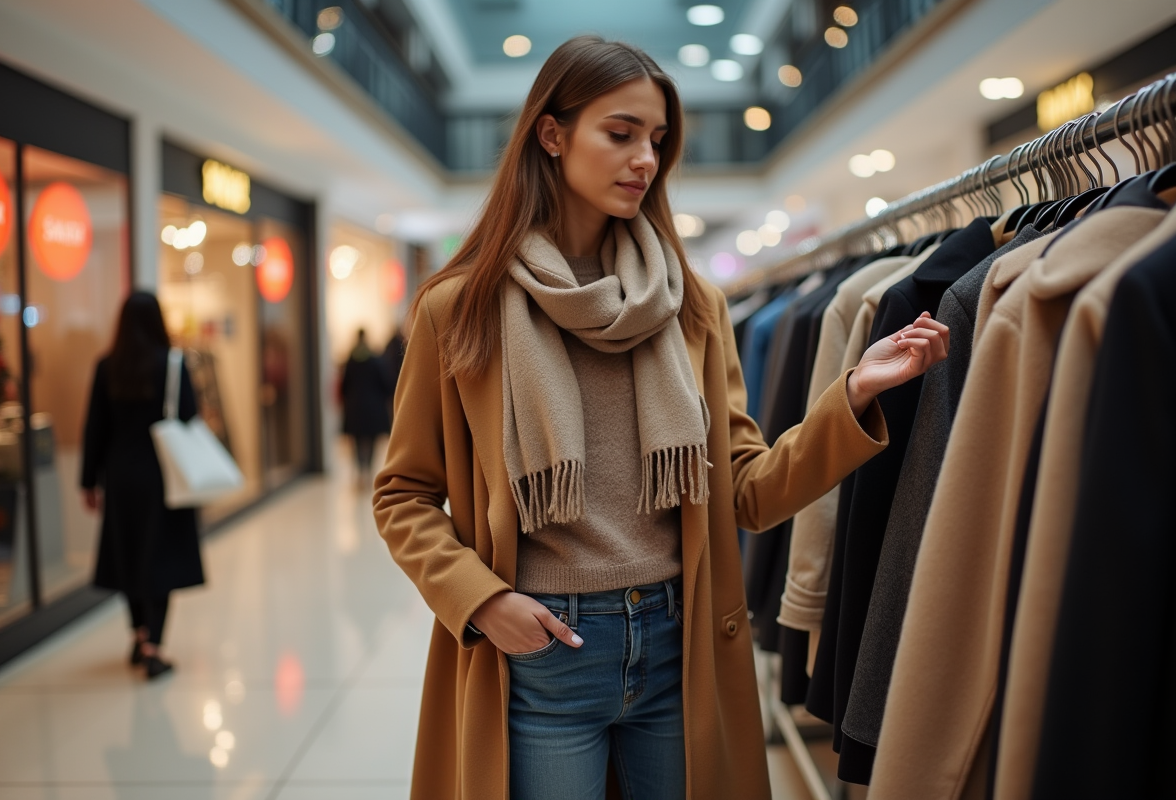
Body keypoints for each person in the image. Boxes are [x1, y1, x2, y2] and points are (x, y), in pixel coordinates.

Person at [373, 35, 950, 800]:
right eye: (620, 133)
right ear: (552, 135)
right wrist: (484, 603)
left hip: (680, 643)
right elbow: (404, 495)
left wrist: (851, 398)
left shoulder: (691, 303)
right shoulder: (462, 309)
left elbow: (746, 489)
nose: (646, 157)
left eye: (656, 138)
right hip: (543, 649)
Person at [81, 292, 202, 680]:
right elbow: (189, 416)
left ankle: (137, 635)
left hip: (120, 476)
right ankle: (155, 647)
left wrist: (89, 481)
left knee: (128, 555)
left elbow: (94, 427)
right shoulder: (172, 365)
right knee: (161, 557)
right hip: (162, 476)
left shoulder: (107, 366)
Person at [339, 328, 391, 477]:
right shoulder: (375, 359)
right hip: (373, 406)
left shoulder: (351, 360)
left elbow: (344, 386)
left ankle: (361, 469)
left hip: (354, 406)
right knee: (372, 439)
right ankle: (368, 468)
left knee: (356, 440)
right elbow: (385, 383)